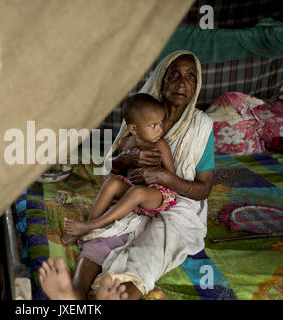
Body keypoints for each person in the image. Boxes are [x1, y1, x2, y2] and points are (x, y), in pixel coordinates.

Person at [38, 50, 215, 300]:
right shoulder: (141, 112)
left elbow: (204, 189)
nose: (181, 82)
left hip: (177, 204)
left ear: (197, 86)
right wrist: (126, 159)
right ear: (161, 80)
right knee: (106, 233)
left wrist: (166, 179)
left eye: (190, 77)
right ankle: (75, 292)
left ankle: (119, 296)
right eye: (173, 74)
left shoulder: (201, 127)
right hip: (133, 198)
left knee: (154, 246)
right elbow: (111, 169)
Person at [62, 93, 177, 244]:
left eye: (161, 122)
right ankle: (89, 224)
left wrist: (155, 174)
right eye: (153, 125)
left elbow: (171, 176)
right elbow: (114, 169)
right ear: (133, 128)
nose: (159, 129)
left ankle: (90, 226)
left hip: (156, 196)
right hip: (131, 194)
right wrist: (124, 158)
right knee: (111, 183)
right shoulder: (124, 144)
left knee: (138, 191)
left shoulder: (160, 145)